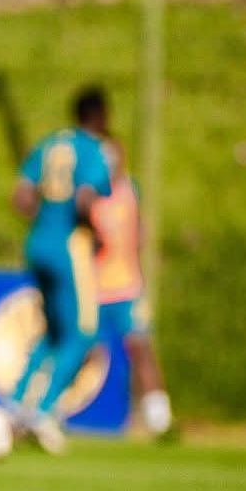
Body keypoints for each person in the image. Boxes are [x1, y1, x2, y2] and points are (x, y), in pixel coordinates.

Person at [6, 86, 114, 454]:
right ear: (100, 115)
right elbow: (85, 199)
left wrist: (47, 219)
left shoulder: (50, 143)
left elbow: (20, 196)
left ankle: (17, 405)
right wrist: (95, 232)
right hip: (71, 247)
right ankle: (44, 411)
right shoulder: (94, 149)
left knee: (54, 332)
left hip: (38, 243)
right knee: (83, 333)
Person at [78, 94, 174, 439]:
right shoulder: (88, 197)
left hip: (126, 288)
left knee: (141, 349)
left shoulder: (129, 191)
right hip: (90, 288)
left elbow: (140, 234)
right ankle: (51, 413)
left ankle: (160, 420)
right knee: (80, 349)